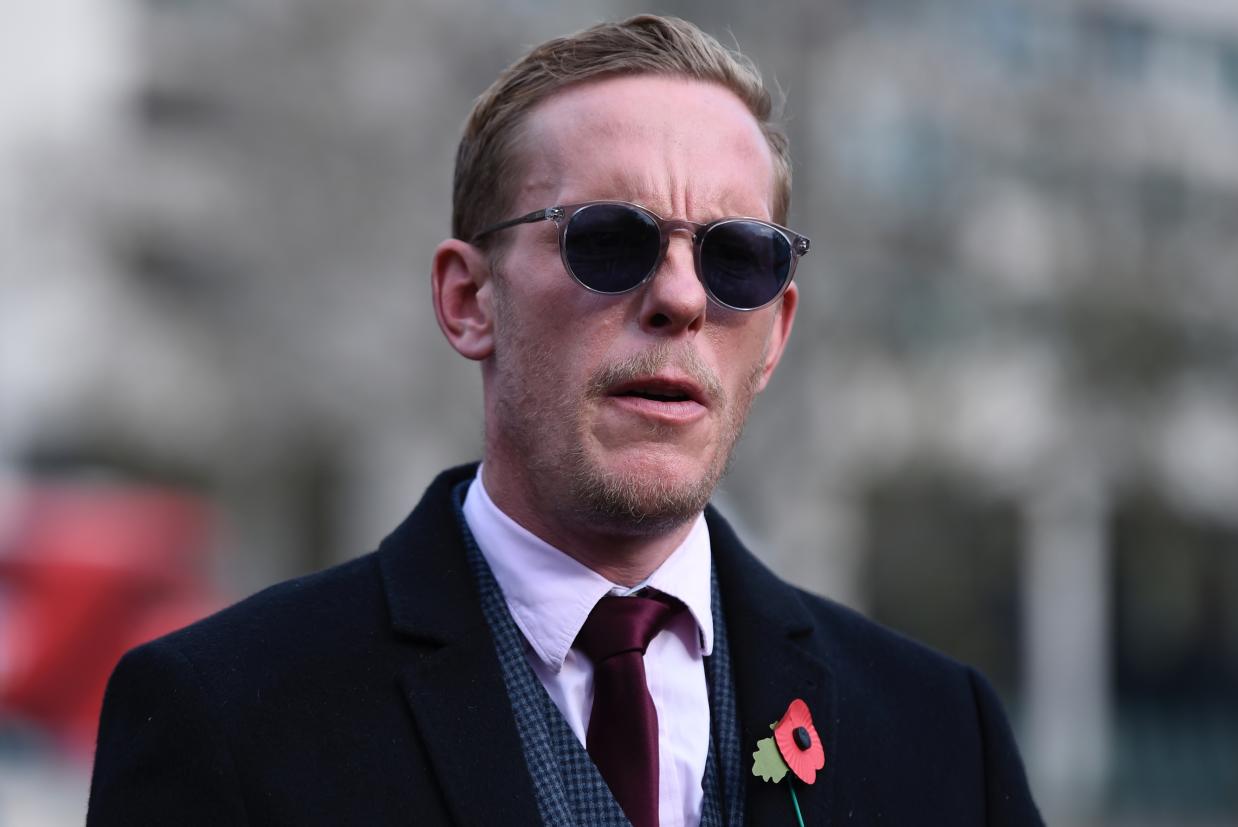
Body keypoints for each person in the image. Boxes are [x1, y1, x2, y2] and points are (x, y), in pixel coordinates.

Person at [87, 14, 1042, 826]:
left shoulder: (942, 737)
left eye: (738, 259)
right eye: (611, 240)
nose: (681, 298)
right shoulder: (222, 718)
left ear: (777, 328)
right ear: (470, 299)